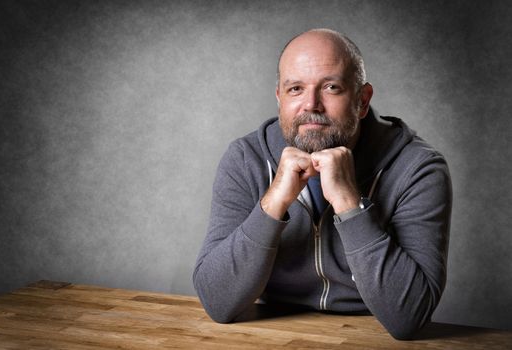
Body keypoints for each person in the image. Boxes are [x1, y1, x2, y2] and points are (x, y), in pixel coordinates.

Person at [193, 28, 452, 340]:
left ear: (362, 100)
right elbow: (218, 302)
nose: (311, 104)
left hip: (369, 337)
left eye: (331, 87)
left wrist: (349, 204)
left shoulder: (418, 169)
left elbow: (408, 318)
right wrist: (274, 202)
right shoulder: (246, 158)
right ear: (279, 97)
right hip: (269, 334)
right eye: (295, 89)